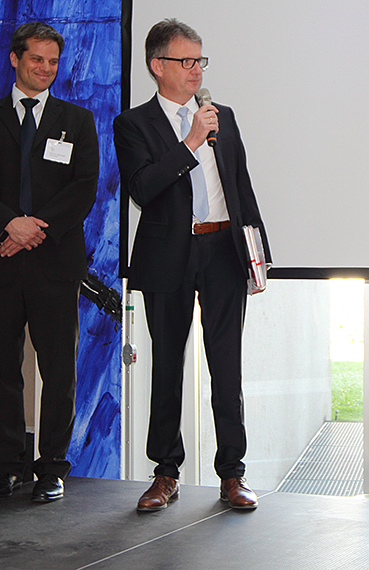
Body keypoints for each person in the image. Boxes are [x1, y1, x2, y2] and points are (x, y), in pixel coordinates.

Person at [113, 19, 270, 512]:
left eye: (201, 60)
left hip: (223, 250)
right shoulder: (133, 124)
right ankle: (165, 472)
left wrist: (257, 254)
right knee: (167, 367)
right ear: (157, 66)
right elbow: (142, 188)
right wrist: (189, 144)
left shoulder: (221, 115)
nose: (196, 70)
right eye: (186, 61)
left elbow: (240, 186)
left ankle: (233, 474)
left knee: (227, 368)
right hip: (168, 255)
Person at [0, 22, 99, 502]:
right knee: (1, 368)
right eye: (37, 59)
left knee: (59, 371)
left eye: (54, 61)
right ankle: (6, 465)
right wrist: (10, 226)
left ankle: (53, 467)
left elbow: (83, 188)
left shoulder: (77, 121)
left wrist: (34, 227)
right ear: (16, 59)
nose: (46, 69)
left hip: (55, 263)